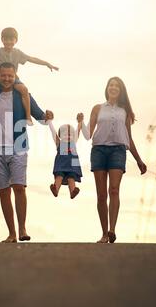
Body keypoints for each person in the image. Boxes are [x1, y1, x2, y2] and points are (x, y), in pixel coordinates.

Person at [0, 62, 54, 243]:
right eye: (3, 75)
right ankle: (11, 233)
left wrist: (48, 115)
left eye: (10, 76)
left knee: (19, 187)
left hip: (18, 146)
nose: (6, 79)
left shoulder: (22, 95)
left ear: (15, 75)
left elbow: (40, 116)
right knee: (4, 191)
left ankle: (22, 229)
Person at [78, 77, 147, 243]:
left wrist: (138, 160)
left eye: (117, 86)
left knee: (114, 190)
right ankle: (103, 234)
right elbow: (88, 136)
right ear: (107, 88)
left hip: (118, 150)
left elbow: (128, 138)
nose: (113, 88)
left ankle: (111, 230)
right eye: (111, 85)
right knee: (101, 195)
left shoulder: (125, 111)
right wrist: (80, 123)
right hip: (99, 151)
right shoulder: (97, 108)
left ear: (121, 90)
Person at [48, 116, 83, 199]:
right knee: (59, 176)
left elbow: (78, 131)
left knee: (71, 178)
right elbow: (53, 132)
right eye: (65, 134)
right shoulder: (59, 143)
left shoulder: (73, 142)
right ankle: (55, 189)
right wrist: (49, 122)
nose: (68, 136)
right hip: (61, 163)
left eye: (70, 134)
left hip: (72, 163)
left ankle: (73, 191)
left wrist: (80, 122)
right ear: (60, 135)